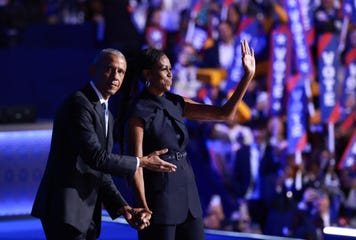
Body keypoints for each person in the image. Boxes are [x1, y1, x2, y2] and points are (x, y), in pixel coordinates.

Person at [31, 48, 177, 240]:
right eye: (110, 69)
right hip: (64, 209)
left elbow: (102, 171)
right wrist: (140, 162)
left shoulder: (107, 113)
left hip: (84, 212)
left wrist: (122, 207)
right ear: (93, 71)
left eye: (121, 72)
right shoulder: (79, 104)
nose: (115, 76)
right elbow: (96, 158)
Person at [127, 39, 255, 240]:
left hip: (188, 196)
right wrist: (142, 206)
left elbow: (225, 114)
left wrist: (248, 76)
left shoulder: (177, 102)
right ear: (147, 74)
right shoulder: (138, 111)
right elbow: (135, 164)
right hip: (158, 200)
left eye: (170, 68)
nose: (170, 73)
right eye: (163, 69)